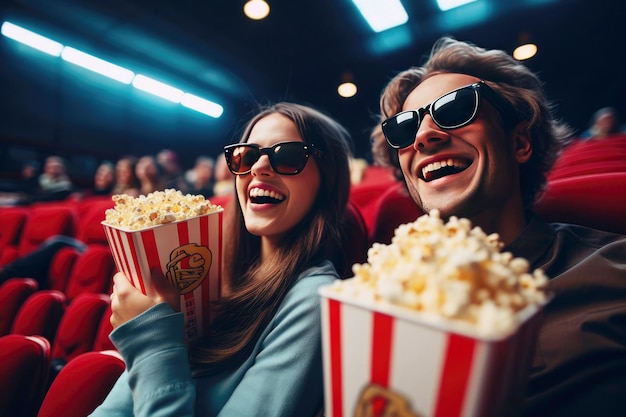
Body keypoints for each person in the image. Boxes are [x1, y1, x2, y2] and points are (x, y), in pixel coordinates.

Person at [371, 36, 626, 417]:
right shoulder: (373, 297)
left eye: (456, 108)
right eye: (404, 129)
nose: (424, 136)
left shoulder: (615, 274)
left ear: (520, 142)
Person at [90, 102, 352, 417]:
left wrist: (151, 339)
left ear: (327, 180)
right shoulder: (210, 275)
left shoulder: (314, 300)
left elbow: (153, 365)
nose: (258, 168)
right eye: (246, 156)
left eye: (287, 156)